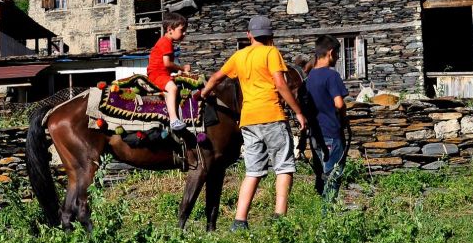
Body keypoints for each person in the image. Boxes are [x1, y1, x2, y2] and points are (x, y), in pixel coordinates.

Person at [199, 15, 307, 230]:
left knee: (253, 170)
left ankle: (239, 220)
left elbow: (215, 78)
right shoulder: (271, 52)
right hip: (272, 116)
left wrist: (203, 94)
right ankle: (280, 219)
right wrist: (298, 112)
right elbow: (280, 84)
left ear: (249, 35)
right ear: (270, 36)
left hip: (248, 120)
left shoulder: (239, 56)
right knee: (284, 167)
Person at [305, 35, 348, 204]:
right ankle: (327, 214)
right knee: (333, 174)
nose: (337, 58)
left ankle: (322, 207)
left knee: (322, 173)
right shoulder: (332, 76)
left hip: (315, 133)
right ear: (330, 53)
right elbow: (339, 103)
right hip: (331, 131)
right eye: (337, 54)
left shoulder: (309, 78)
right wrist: (343, 117)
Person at [148, 12, 192, 131]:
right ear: (170, 29)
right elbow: (167, 63)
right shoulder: (166, 42)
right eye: (181, 30)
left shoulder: (167, 42)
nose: (184, 33)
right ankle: (174, 120)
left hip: (162, 73)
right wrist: (182, 68)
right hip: (157, 74)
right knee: (173, 88)